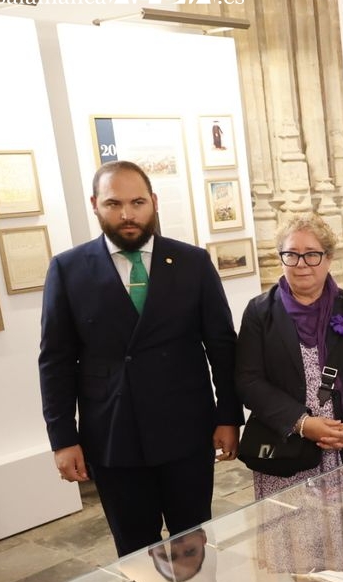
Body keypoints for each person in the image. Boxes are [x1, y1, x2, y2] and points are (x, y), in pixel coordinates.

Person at [39, 161, 243, 557]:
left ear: (154, 202)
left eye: (137, 202)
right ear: (96, 205)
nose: (127, 214)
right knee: (134, 555)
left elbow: (221, 345)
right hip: (113, 437)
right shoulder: (68, 269)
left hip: (186, 431)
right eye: (114, 203)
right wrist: (63, 438)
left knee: (194, 545)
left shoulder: (192, 263)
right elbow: (56, 360)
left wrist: (228, 415)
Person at [235, 212, 343, 500]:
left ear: (328, 258)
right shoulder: (260, 313)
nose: (301, 264)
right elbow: (248, 380)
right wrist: (302, 423)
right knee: (298, 541)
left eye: (312, 255)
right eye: (291, 255)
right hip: (287, 452)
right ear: (280, 258)